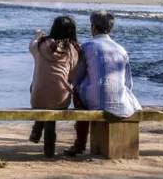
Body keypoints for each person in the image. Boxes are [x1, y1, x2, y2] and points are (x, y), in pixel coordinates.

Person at [68, 11, 141, 157]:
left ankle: (80, 143)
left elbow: (76, 79)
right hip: (120, 102)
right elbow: (128, 83)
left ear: (93, 27)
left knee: (76, 90)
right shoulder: (121, 49)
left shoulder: (87, 47)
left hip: (96, 102)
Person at [28, 16, 80, 158]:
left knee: (39, 90)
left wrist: (38, 36)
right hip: (60, 100)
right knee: (54, 94)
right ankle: (48, 149)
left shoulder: (40, 45)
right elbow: (72, 77)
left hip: (37, 99)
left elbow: (31, 45)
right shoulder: (72, 50)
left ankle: (37, 130)